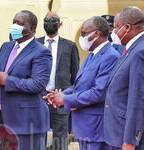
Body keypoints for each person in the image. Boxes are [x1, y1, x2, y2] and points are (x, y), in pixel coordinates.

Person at [44, 16, 120, 150]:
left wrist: (66, 99)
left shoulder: (110, 56)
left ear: (96, 33)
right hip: (86, 128)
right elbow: (80, 85)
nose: (81, 37)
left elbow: (99, 92)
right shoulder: (92, 55)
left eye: (84, 33)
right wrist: (59, 95)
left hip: (97, 129)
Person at [0, 10, 52, 150]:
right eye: (14, 22)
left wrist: (7, 80)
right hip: (2, 116)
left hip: (25, 120)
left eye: (19, 24)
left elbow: (38, 84)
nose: (14, 26)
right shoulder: (6, 46)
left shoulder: (41, 52)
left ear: (32, 28)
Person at [104, 6, 144, 150]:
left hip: (136, 139)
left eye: (116, 27)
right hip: (123, 132)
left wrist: (130, 141)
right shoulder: (134, 48)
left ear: (127, 27)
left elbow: (139, 101)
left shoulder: (142, 52)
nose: (113, 32)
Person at [37, 12, 79, 150]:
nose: (50, 22)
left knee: (60, 138)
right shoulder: (35, 44)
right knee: (37, 135)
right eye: (47, 20)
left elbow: (75, 74)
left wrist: (72, 97)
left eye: (53, 20)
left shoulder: (69, 46)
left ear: (60, 24)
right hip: (39, 97)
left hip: (60, 97)